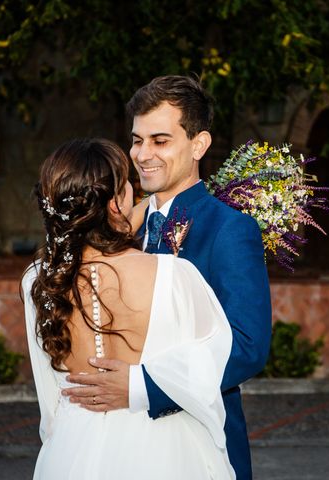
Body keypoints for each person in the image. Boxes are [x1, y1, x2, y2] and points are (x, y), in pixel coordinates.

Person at [62, 76, 272, 479]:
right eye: (137, 140)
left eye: (160, 140)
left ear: (199, 145)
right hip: (115, 448)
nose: (142, 154)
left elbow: (247, 345)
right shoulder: (120, 226)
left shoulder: (229, 228)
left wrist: (143, 387)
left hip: (199, 441)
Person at [22, 138, 235, 479]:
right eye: (129, 189)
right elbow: (209, 368)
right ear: (116, 202)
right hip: (165, 451)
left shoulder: (39, 280)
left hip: (70, 447)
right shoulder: (175, 275)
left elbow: (48, 397)